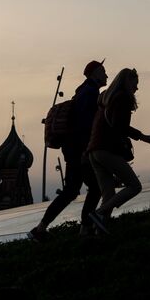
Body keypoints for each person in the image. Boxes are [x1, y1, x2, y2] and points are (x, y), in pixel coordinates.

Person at [28, 60, 107, 241]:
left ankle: (40, 229)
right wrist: (88, 149)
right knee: (95, 187)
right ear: (95, 73)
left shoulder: (83, 92)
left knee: (71, 191)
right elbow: (85, 125)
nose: (106, 75)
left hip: (73, 149)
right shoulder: (90, 93)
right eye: (103, 71)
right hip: (81, 150)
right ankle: (85, 229)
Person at [87, 68, 150, 234]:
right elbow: (120, 126)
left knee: (108, 194)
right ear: (127, 82)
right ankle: (99, 213)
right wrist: (142, 136)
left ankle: (99, 230)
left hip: (93, 152)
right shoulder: (122, 98)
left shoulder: (106, 99)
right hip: (106, 150)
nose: (137, 88)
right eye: (135, 84)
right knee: (134, 186)